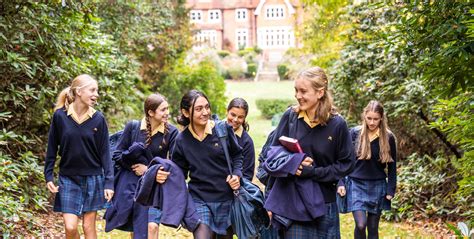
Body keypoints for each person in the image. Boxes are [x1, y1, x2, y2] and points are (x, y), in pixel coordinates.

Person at [265, 67, 355, 238]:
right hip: (294, 204)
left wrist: (313, 173)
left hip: (326, 204)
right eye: (296, 90)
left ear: (320, 92)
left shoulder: (337, 124)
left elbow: (347, 164)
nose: (298, 96)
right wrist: (294, 163)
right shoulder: (290, 118)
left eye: (303, 91)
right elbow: (271, 154)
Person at [156, 89, 243, 239]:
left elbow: (237, 155)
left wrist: (237, 174)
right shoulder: (181, 140)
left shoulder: (223, 130)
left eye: (207, 107)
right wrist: (161, 174)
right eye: (198, 109)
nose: (205, 112)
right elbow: (179, 173)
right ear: (185, 112)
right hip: (199, 200)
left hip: (226, 199)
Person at [44, 74, 114, 238]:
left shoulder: (98, 119)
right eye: (92, 90)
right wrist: (48, 176)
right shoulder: (60, 116)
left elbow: (105, 153)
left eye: (97, 90)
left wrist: (109, 182)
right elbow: (52, 148)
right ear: (78, 92)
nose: (96, 94)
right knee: (70, 227)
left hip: (93, 178)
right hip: (68, 178)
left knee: (89, 227)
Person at [105, 93, 178, 239]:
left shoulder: (171, 132)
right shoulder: (133, 127)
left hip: (155, 187)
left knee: (151, 227)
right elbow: (117, 155)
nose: (167, 113)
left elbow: (173, 165)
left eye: (167, 109)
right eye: (163, 110)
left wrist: (147, 170)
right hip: (131, 187)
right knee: (136, 229)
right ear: (151, 112)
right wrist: (133, 163)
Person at [337, 100, 397, 239]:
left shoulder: (388, 137)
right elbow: (343, 159)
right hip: (355, 184)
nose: (372, 122)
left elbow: (392, 167)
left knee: (373, 228)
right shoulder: (355, 133)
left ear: (381, 118)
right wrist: (340, 182)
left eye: (376, 119)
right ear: (364, 116)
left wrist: (390, 189)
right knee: (360, 224)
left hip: (378, 185)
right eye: (369, 118)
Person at [225, 97, 255, 180]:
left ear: (244, 118)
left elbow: (247, 175)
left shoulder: (247, 142)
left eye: (240, 117)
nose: (235, 120)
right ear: (227, 111)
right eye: (233, 115)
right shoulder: (214, 130)